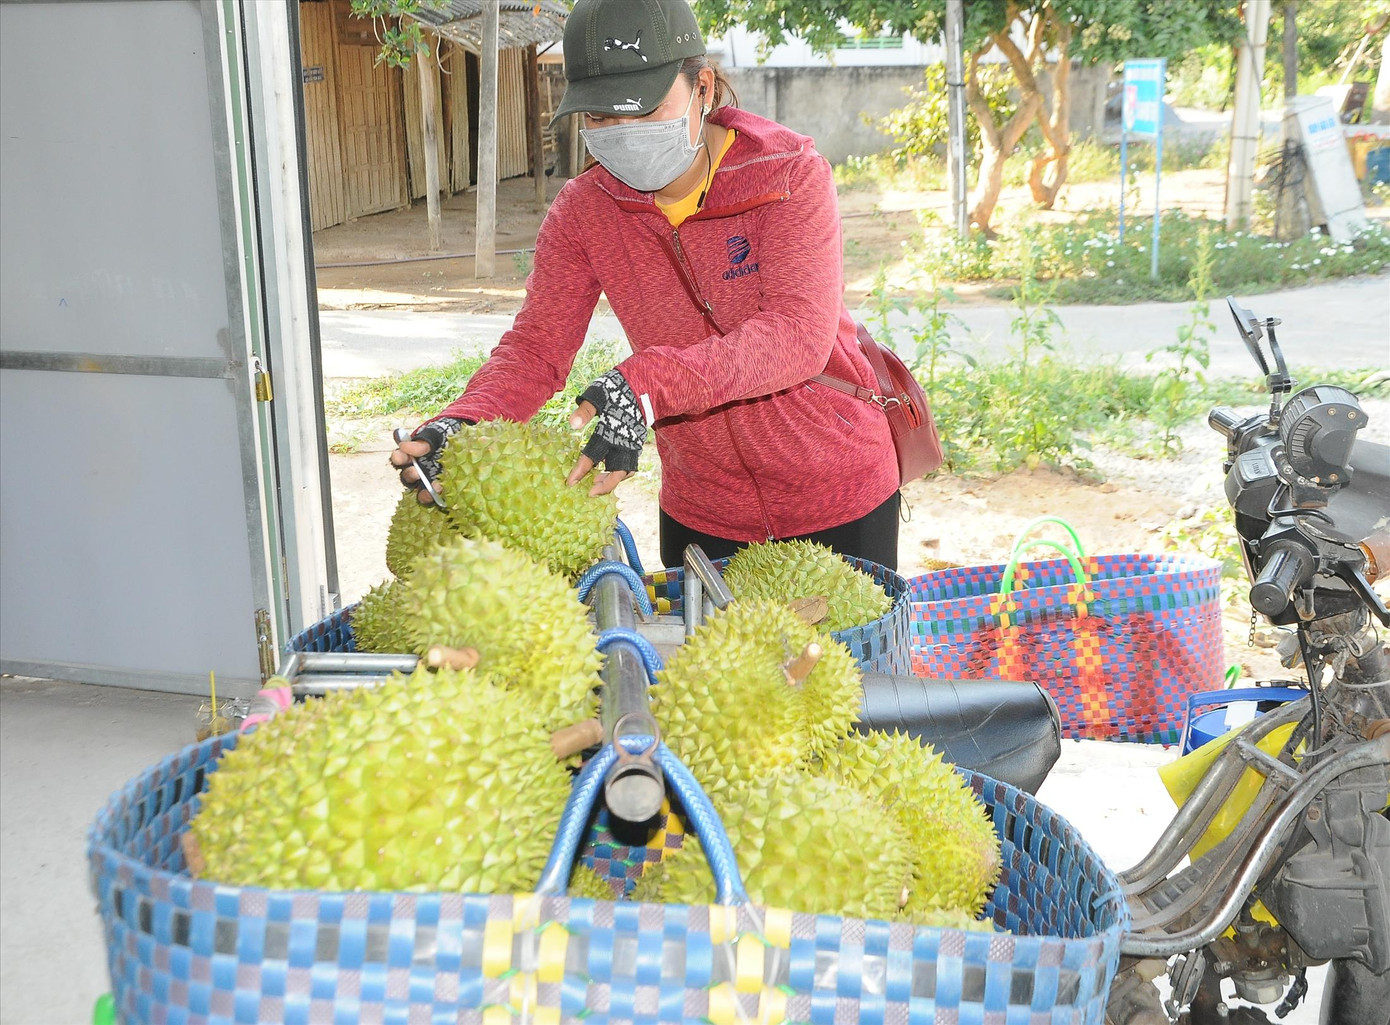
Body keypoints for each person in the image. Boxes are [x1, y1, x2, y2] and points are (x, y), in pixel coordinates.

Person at [391, 0, 901, 570]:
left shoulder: (786, 175)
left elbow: (796, 337)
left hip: (837, 491)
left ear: (702, 87)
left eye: (644, 109)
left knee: (853, 659)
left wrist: (646, 383)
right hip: (704, 509)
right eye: (601, 118)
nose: (622, 132)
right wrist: (464, 422)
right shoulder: (585, 211)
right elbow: (537, 349)